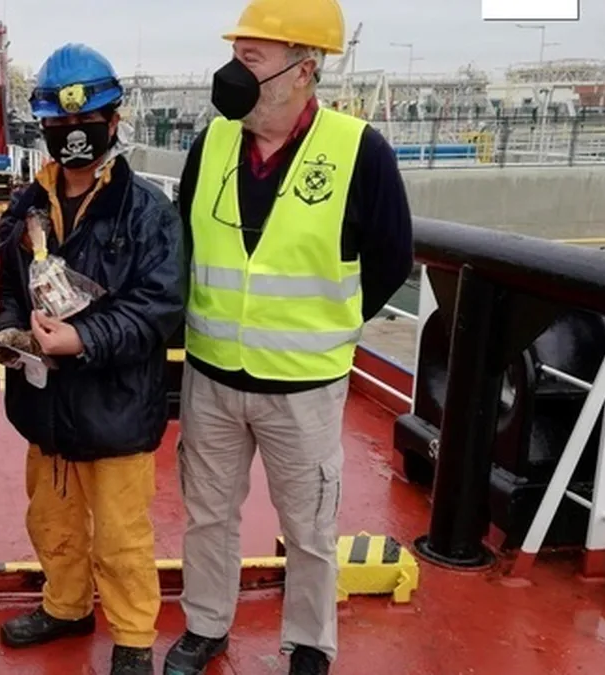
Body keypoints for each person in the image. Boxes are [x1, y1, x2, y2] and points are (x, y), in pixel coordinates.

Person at [164, 1, 415, 674]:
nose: (232, 72)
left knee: (309, 526)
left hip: (304, 386)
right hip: (213, 374)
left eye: (250, 59)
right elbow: (184, 244)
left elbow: (392, 257)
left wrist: (330, 325)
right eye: (234, 55)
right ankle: (206, 625)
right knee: (207, 514)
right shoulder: (212, 144)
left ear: (303, 70)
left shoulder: (360, 151)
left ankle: (309, 643)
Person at [0, 44, 185, 675]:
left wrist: (83, 339)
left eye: (87, 120)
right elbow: (7, 283)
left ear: (114, 120)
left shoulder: (148, 211)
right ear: (43, 126)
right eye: (60, 122)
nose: (74, 132)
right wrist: (11, 328)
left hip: (116, 408)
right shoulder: (26, 206)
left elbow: (158, 307)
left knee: (123, 536)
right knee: (52, 520)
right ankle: (65, 606)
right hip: (45, 404)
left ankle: (133, 639)